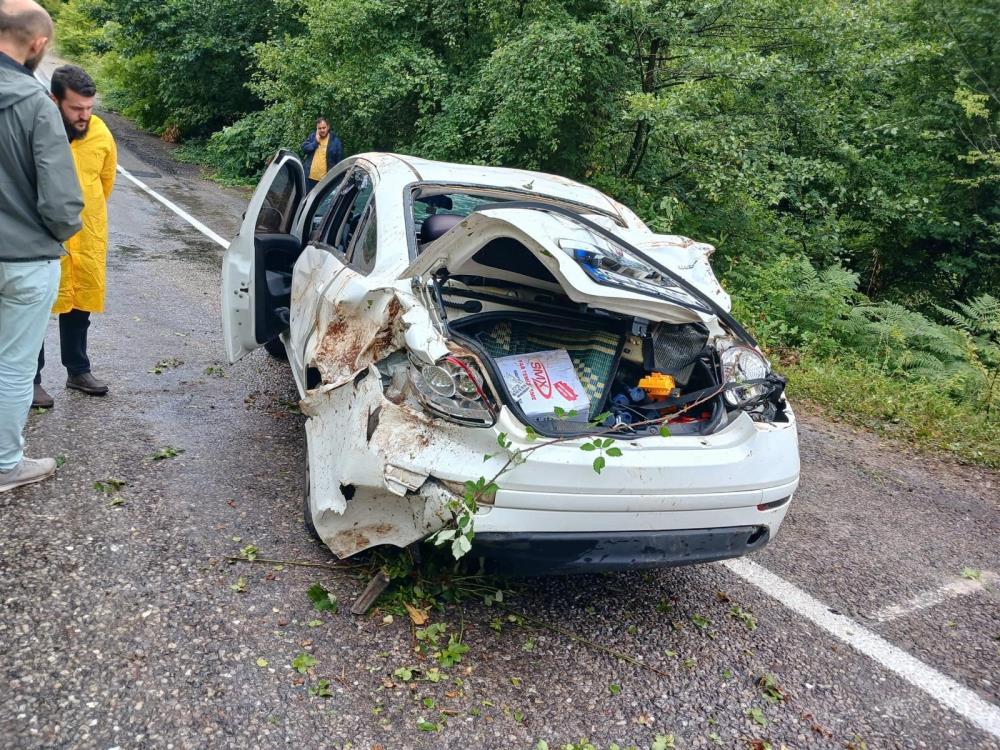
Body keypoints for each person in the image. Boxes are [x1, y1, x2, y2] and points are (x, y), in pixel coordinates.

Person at [0, 0, 84, 492]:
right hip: (26, 260)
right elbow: (60, 201)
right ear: (37, 45)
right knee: (12, 366)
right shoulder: (36, 105)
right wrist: (56, 236)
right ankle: (6, 464)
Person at [33, 64, 117, 406]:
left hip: (86, 233)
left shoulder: (100, 133)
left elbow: (106, 181)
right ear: (55, 100)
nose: (84, 116)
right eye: (76, 108)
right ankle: (30, 379)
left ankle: (77, 370)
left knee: (79, 303)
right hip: (41, 235)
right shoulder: (37, 129)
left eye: (89, 108)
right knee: (35, 306)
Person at [302, 117, 342, 189]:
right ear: (317, 128)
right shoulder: (313, 137)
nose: (322, 130)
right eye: (319, 128)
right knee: (307, 199)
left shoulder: (335, 141)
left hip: (325, 180)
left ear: (328, 127)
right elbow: (304, 149)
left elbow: (339, 161)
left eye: (324, 128)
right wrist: (315, 142)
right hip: (309, 178)